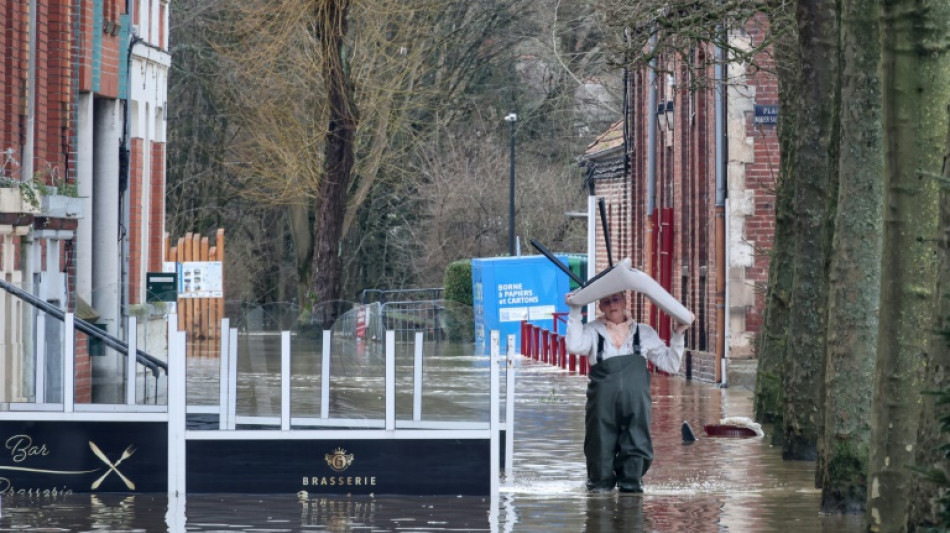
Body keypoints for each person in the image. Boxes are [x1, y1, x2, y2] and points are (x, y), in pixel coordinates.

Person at [565, 290, 688, 493]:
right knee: (599, 446)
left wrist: (678, 334)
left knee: (637, 446)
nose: (612, 305)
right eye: (606, 301)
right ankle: (599, 498)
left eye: (615, 299)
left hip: (636, 405)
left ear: (625, 300)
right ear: (600, 306)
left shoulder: (644, 332)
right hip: (601, 405)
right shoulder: (592, 331)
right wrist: (575, 309)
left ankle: (631, 497)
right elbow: (573, 345)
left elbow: (671, 364)